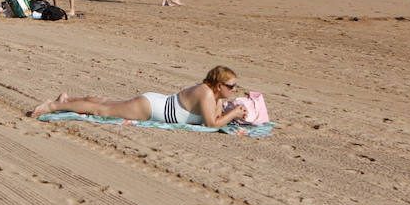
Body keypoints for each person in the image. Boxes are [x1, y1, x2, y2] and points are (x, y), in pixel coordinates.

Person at [27, 65, 248, 129]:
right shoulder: (206, 93)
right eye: (232, 86)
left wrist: (229, 110)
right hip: (151, 108)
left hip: (154, 102)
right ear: (219, 85)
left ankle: (67, 99)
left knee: (105, 103)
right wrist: (235, 112)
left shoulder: (213, 94)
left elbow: (217, 115)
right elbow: (212, 124)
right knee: (103, 110)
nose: (234, 90)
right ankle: (52, 106)